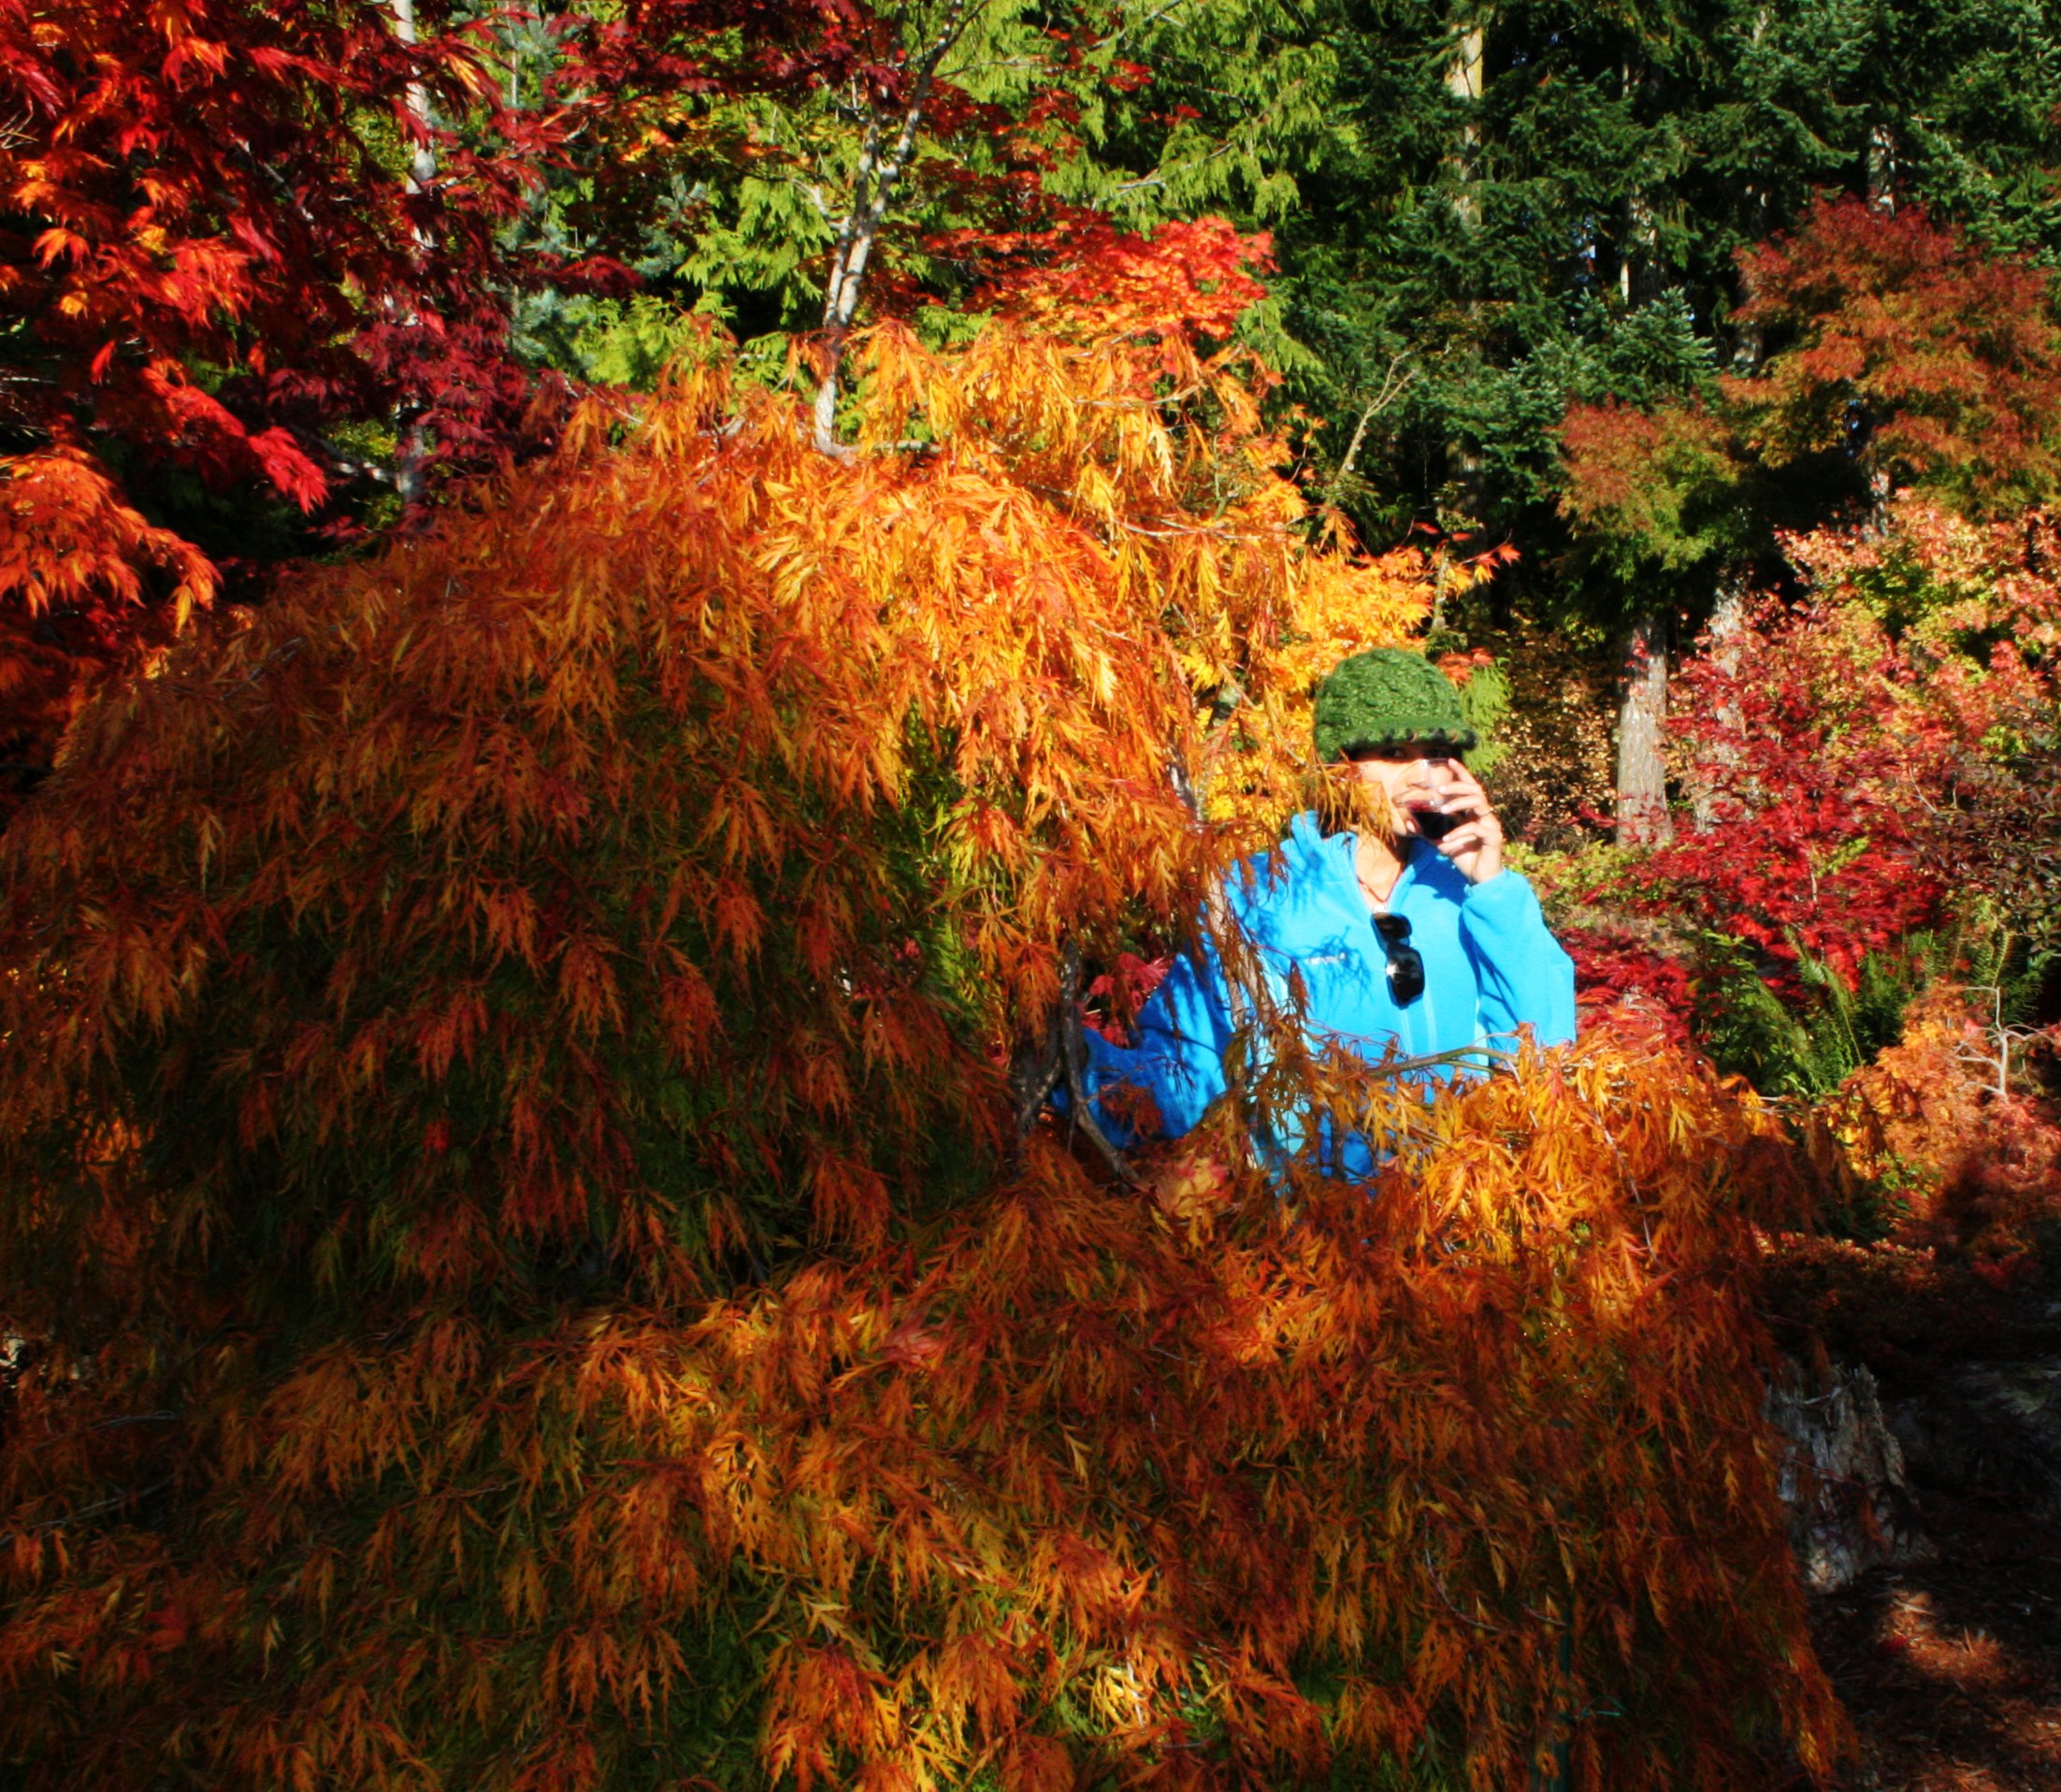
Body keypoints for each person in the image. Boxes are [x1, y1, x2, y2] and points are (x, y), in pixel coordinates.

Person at [1075, 647, 1577, 1173]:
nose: (1419, 775)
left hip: (1466, 1218)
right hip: (1322, 1231)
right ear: (1341, 767)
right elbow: (1183, 1076)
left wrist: (1493, 888)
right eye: (1394, 753)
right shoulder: (1254, 894)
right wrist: (1071, 1062)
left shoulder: (1473, 893)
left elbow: (1544, 1054)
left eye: (1433, 752)